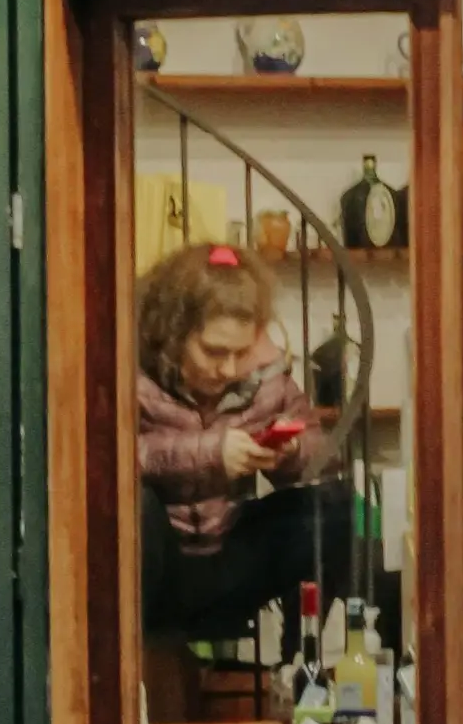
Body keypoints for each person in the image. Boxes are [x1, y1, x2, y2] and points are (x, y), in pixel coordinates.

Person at [135, 240, 348, 638]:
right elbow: (104, 457)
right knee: (136, 505)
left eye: (241, 351)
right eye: (213, 351)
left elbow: (323, 452)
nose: (228, 368)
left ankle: (302, 665)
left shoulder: (265, 373)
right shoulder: (130, 368)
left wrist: (289, 452)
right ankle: (141, 646)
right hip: (154, 567)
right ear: (174, 332)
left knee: (334, 508)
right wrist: (211, 454)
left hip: (228, 555)